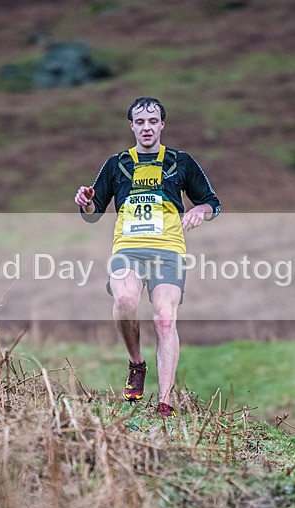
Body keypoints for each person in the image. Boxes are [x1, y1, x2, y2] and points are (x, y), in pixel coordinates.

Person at [74, 97, 221, 418]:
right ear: (131, 126)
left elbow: (213, 202)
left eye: (152, 121)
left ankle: (165, 402)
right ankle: (137, 363)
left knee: (164, 318)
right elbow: (91, 213)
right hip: (127, 248)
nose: (146, 128)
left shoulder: (181, 162)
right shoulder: (117, 164)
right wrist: (85, 200)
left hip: (168, 249)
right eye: (140, 122)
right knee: (125, 299)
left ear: (162, 124)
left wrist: (199, 209)